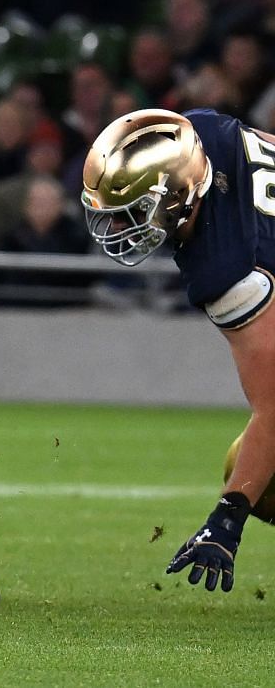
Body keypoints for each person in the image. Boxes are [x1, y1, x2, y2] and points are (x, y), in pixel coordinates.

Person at [81, 108, 275, 594]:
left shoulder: (229, 267)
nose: (119, 227)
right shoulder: (204, 133)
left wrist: (227, 518)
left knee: (253, 476)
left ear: (179, 196)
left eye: (132, 212)